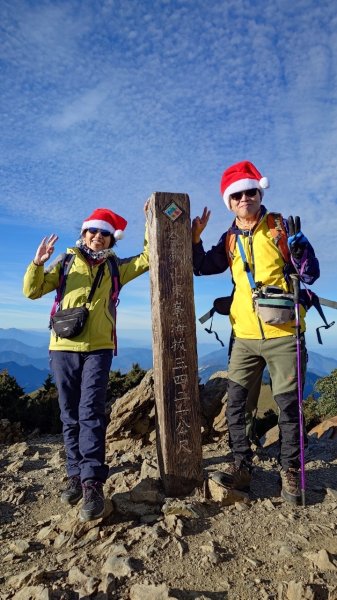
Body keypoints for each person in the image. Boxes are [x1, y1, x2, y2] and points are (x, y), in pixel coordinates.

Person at [192, 160, 319, 505]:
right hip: (244, 336)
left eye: (251, 191)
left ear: (260, 193)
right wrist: (195, 239)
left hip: (284, 333)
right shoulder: (229, 238)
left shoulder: (280, 228)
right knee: (235, 404)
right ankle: (241, 466)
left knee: (288, 407)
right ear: (229, 202)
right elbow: (202, 267)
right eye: (237, 194)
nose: (245, 198)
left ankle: (290, 471)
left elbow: (310, 276)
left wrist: (301, 252)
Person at [23, 206, 149, 521]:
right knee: (70, 415)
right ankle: (74, 474)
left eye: (104, 233)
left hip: (99, 348)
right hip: (63, 347)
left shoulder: (116, 268)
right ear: (84, 233)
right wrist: (38, 263)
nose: (97, 237)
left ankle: (92, 482)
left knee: (90, 412)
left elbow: (148, 258)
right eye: (92, 231)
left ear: (111, 239)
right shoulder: (65, 262)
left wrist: (150, 222)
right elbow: (31, 291)